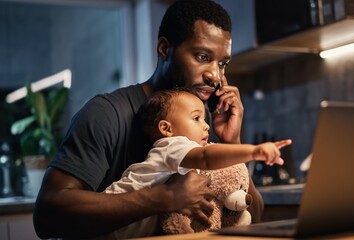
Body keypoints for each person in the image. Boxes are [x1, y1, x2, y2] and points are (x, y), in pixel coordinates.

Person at [33, 0, 268, 239]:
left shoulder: (204, 120)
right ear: (165, 49)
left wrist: (233, 143)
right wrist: (165, 197)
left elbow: (254, 217)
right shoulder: (106, 113)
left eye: (222, 63)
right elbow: (47, 216)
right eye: (201, 56)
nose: (215, 76)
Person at [104, 88, 291, 238]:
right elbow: (206, 157)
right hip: (108, 225)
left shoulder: (175, 153)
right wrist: (254, 151)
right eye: (196, 118)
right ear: (166, 129)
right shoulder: (172, 145)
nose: (206, 125)